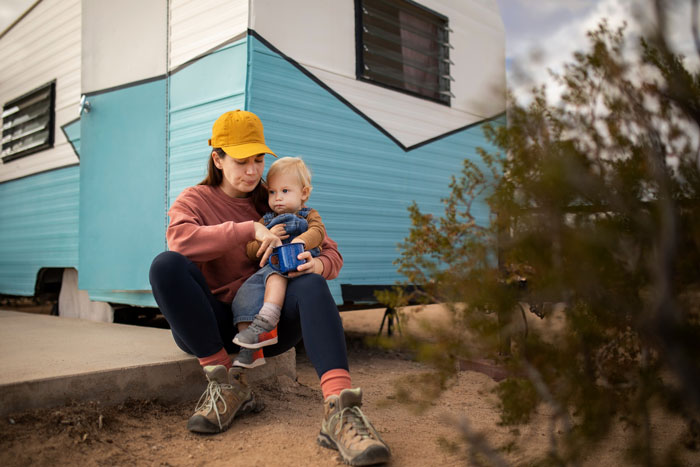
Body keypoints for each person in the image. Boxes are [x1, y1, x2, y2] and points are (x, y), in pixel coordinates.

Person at [148, 110, 391, 466]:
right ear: (218, 158)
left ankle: (340, 410)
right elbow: (179, 242)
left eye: (259, 159)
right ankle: (227, 386)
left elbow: (331, 251)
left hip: (271, 323)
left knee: (309, 281)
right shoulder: (195, 199)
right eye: (241, 160)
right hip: (210, 325)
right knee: (164, 265)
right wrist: (249, 229)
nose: (252, 170)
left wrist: (317, 262)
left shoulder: (274, 197)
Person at [231, 156, 325, 366]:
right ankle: (250, 349)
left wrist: (301, 240)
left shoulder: (309, 215)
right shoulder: (266, 220)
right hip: (268, 268)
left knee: (275, 277)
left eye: (285, 191)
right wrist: (266, 235)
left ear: (304, 193)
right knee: (244, 296)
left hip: (294, 264)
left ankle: (268, 323)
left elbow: (319, 233)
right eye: (272, 192)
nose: (277, 198)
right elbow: (250, 250)